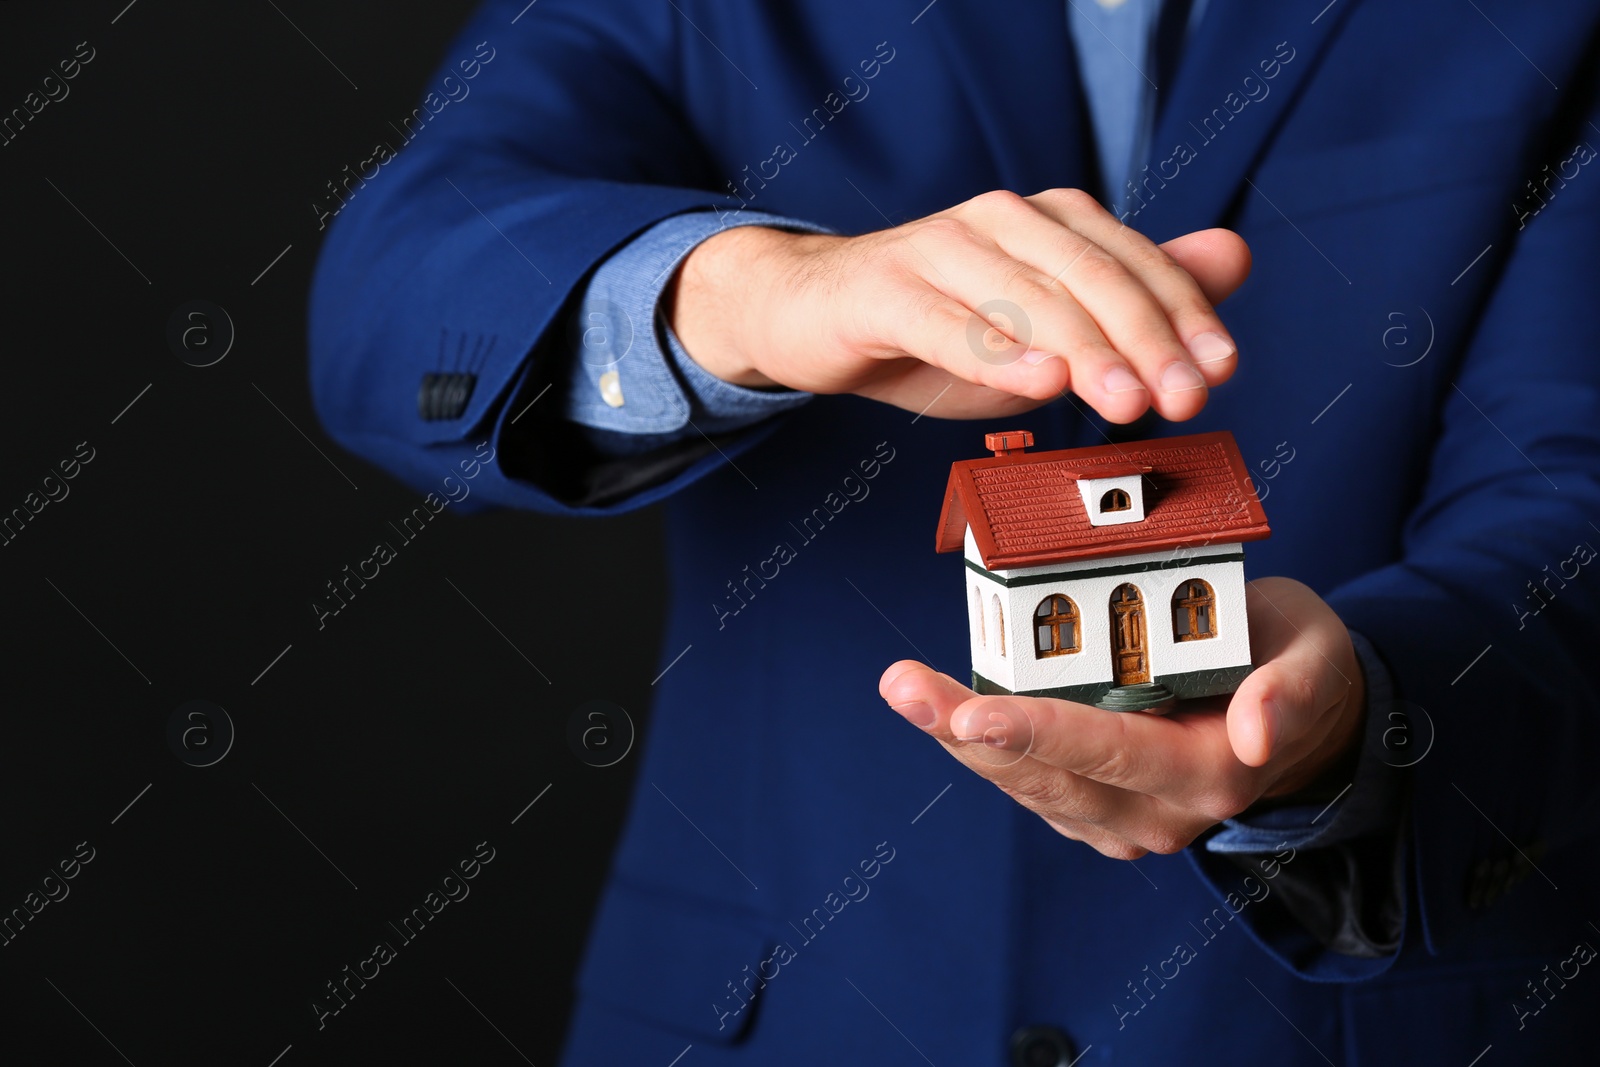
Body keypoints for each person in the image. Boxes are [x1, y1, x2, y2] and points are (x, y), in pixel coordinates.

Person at [308, 0, 1600, 1061]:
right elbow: (398, 286)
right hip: (773, 1018)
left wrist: (1361, 713)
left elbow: (1568, 493)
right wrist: (753, 293)